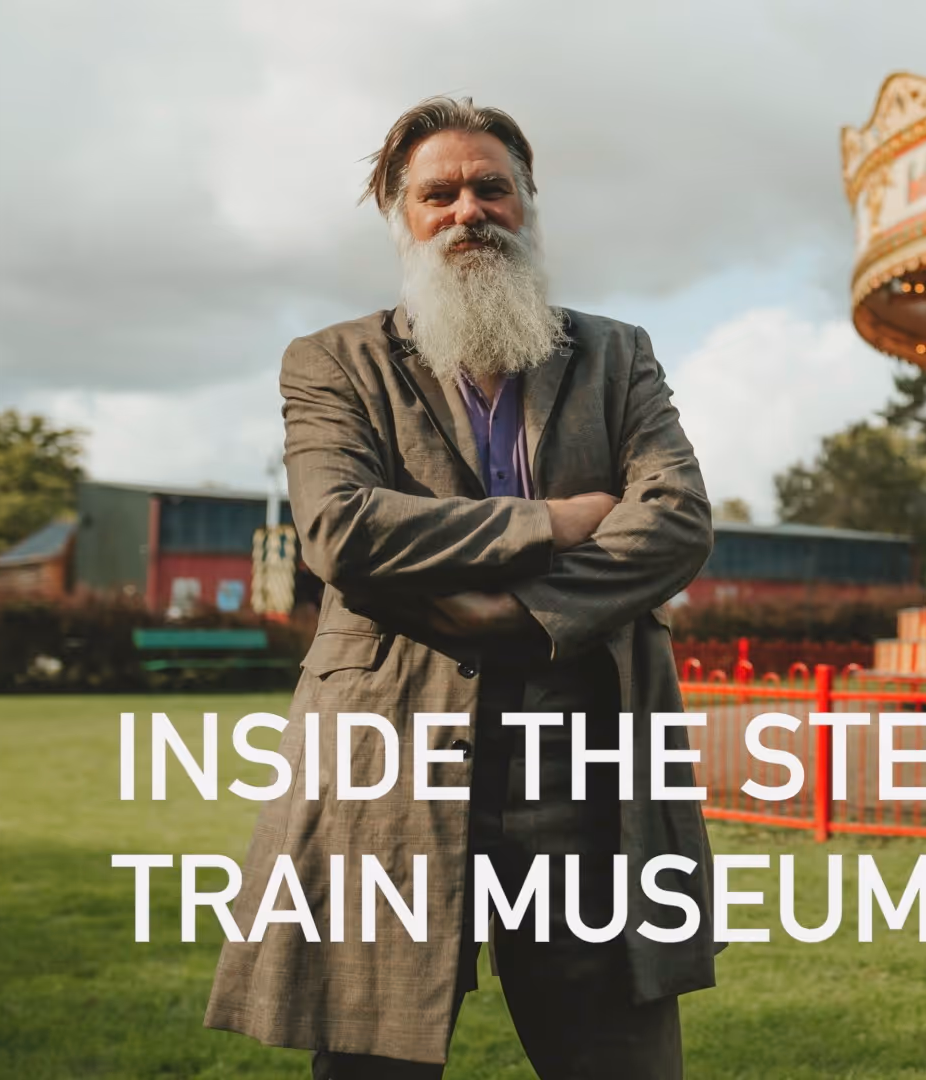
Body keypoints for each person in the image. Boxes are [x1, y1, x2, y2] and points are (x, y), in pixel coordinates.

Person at [205, 96, 718, 1079]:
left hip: (585, 764)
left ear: (528, 202)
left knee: (618, 1060)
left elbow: (677, 520)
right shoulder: (334, 362)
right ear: (401, 217)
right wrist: (555, 521)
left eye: (492, 187)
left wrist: (521, 613)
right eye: (438, 194)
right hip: (389, 757)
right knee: (371, 1060)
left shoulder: (617, 356)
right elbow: (341, 529)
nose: (468, 211)